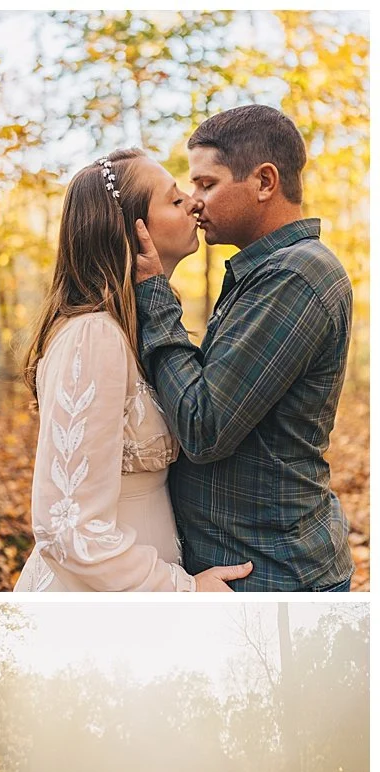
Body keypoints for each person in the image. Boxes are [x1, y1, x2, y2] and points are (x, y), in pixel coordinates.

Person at [134, 105, 354, 591]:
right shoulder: (261, 273)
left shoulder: (296, 274)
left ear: (264, 181)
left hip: (271, 576)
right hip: (244, 568)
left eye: (206, 184)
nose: (194, 201)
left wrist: (153, 294)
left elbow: (203, 426)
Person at [16, 148, 252, 591]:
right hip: (100, 599)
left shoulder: (136, 331)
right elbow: (68, 529)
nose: (194, 203)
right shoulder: (93, 336)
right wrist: (184, 591)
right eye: (175, 200)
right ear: (131, 229)